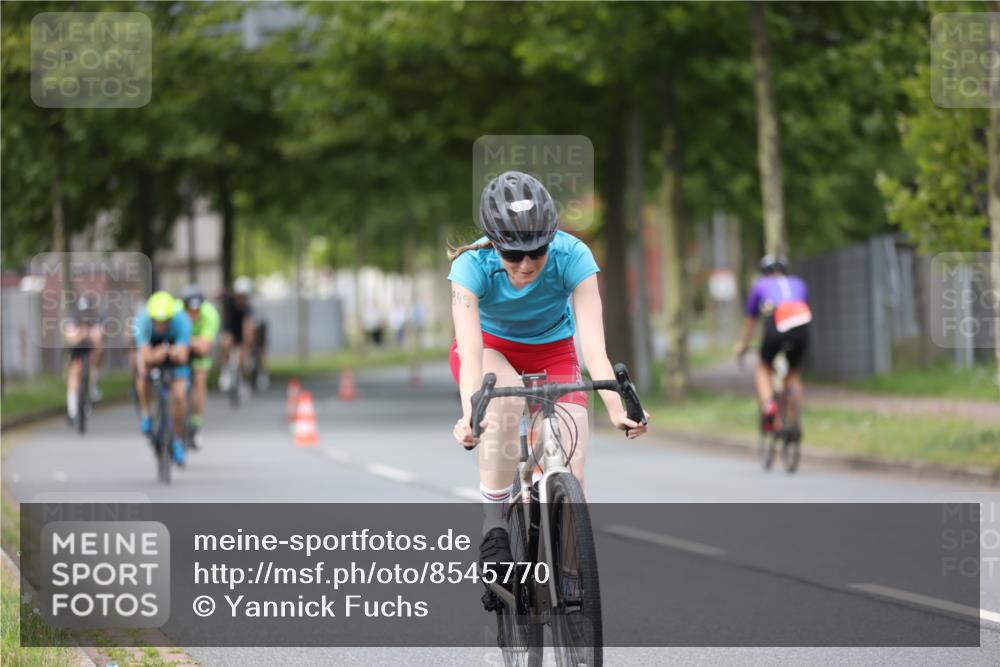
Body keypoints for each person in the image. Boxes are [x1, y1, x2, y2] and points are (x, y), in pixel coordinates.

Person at [448, 170, 649, 574]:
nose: (526, 264)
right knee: (504, 402)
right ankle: (494, 526)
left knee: (572, 465)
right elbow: (470, 355)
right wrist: (471, 414)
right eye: (513, 254)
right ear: (493, 242)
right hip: (492, 352)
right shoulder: (470, 267)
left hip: (553, 351)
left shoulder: (574, 257)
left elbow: (593, 348)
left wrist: (616, 408)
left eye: (537, 251)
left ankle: (570, 581)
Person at [735, 254, 812, 437]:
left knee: (764, 368)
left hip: (777, 324)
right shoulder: (799, 283)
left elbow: (751, 320)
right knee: (793, 372)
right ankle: (795, 420)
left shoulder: (760, 285)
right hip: (801, 326)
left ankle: (769, 405)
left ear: (764, 272)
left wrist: (743, 345)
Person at [133, 290, 192, 466]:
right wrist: (155, 355)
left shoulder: (182, 321)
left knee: (179, 396)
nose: (160, 325)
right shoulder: (142, 321)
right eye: (156, 321)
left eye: (165, 321)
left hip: (174, 354)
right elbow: (145, 355)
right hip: (153, 351)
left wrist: (171, 353)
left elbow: (183, 356)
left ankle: (178, 440)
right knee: (142, 375)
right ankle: (146, 414)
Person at [180, 284, 220, 448]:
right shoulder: (176, 311)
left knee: (200, 379)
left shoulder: (210, 314)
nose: (194, 315)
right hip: (181, 349)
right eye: (190, 311)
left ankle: (196, 422)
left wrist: (188, 342)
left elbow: (204, 347)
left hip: (198, 354)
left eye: (197, 311)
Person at [64, 295, 104, 423]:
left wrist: (90, 335)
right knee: (74, 374)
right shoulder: (72, 319)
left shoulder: (97, 318)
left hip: (91, 350)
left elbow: (99, 340)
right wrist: (81, 335)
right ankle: (72, 410)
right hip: (77, 350)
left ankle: (93, 384)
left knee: (98, 353)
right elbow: (71, 340)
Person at [218, 276, 255, 397]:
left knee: (243, 358)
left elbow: (248, 325)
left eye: (244, 296)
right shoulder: (229, 301)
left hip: (241, 334)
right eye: (239, 295)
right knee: (225, 342)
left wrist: (247, 343)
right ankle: (225, 371)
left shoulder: (248, 308)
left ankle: (243, 381)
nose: (241, 299)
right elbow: (221, 294)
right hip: (230, 331)